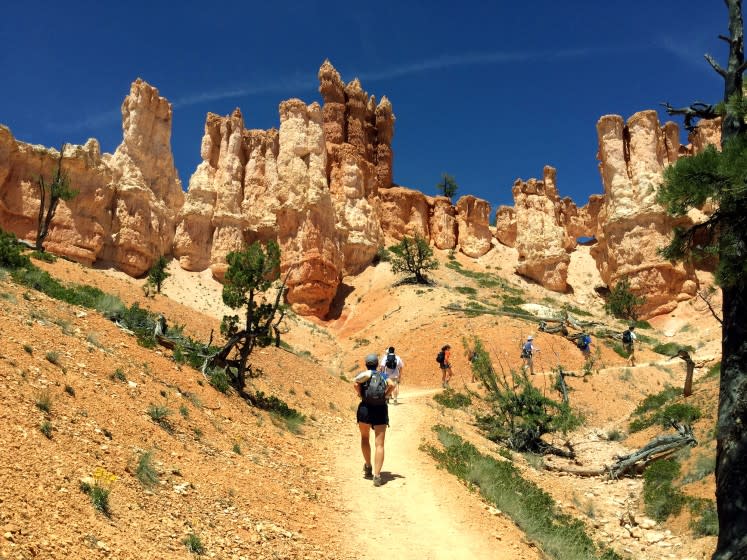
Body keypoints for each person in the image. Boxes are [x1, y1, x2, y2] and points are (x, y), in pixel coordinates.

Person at [354, 353, 395, 487]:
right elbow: (392, 385)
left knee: (365, 438)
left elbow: (355, 385)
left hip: (365, 408)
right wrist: (384, 395)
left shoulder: (364, 375)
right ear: (377, 364)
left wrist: (361, 394)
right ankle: (377, 476)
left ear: (366, 364)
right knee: (380, 444)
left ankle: (368, 466)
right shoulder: (383, 375)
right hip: (380, 409)